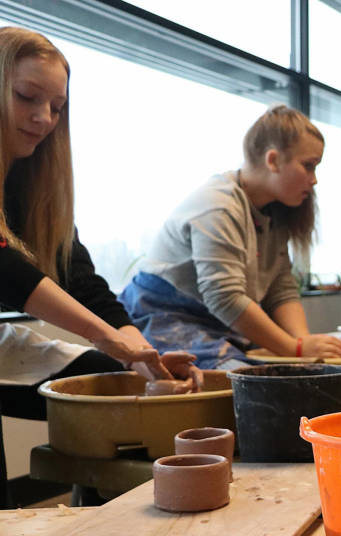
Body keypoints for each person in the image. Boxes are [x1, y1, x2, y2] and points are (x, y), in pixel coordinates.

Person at [0, 27, 197, 504]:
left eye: (57, 107)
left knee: (114, 389)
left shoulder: (32, 182)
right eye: (27, 96)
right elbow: (6, 270)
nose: (44, 118)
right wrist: (104, 337)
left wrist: (142, 359)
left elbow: (82, 280)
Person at [120, 106, 341, 369]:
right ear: (273, 160)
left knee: (291, 374)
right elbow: (225, 298)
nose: (314, 180)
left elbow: (280, 288)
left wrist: (304, 343)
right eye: (308, 166)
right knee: (245, 382)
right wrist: (294, 349)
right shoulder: (219, 205)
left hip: (217, 323)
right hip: (163, 316)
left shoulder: (274, 212)